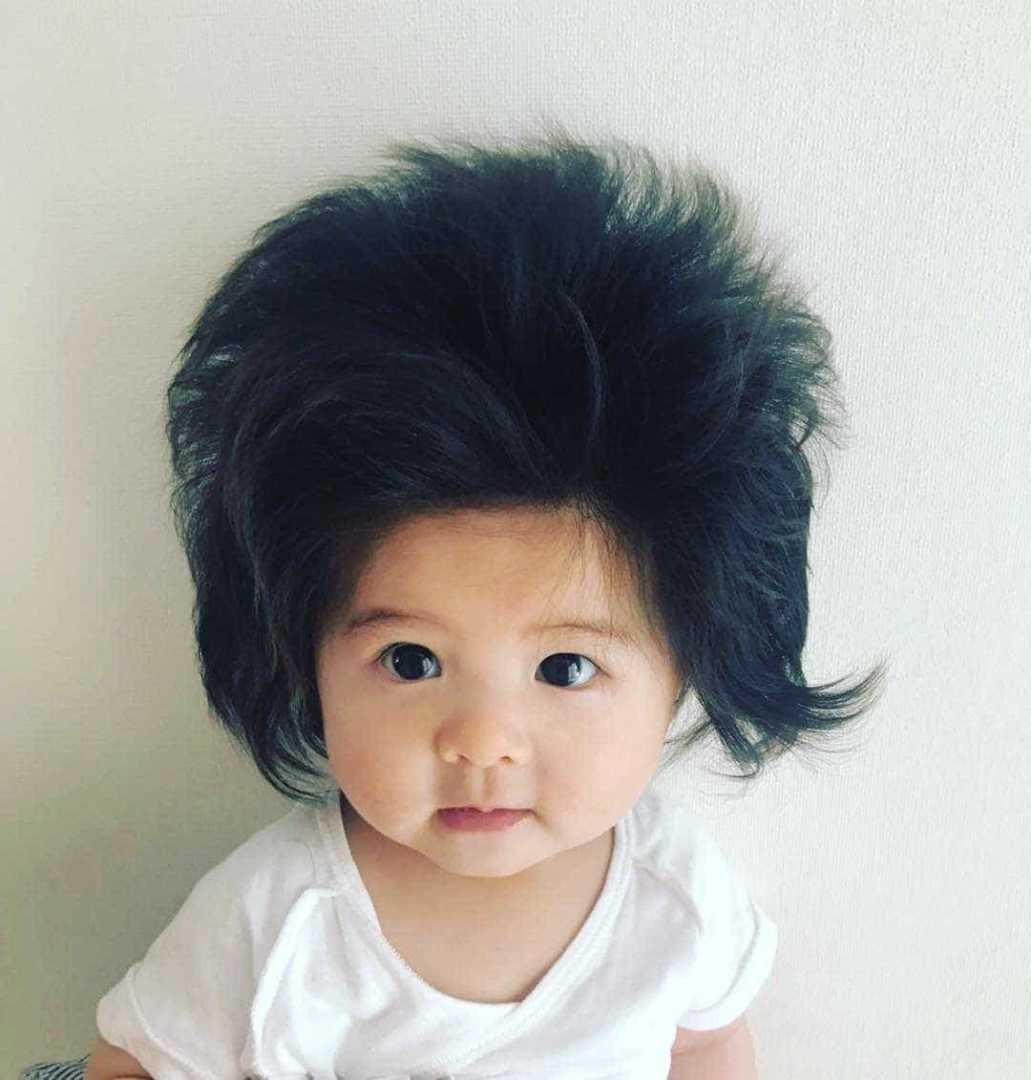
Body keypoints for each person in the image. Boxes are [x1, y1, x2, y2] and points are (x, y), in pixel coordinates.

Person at [84, 125, 887, 1080]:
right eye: (411, 661)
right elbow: (129, 1062)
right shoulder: (275, 921)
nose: (481, 741)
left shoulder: (673, 893)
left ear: (684, 669)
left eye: (565, 668)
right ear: (304, 659)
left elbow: (705, 1038)